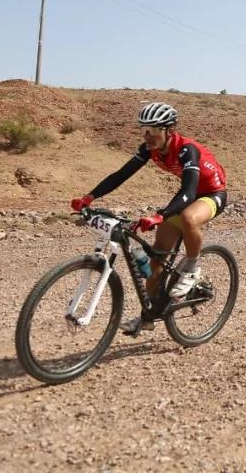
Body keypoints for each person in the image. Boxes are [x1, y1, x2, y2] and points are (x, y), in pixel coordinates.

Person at [71, 102, 227, 335]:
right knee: (155, 265)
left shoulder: (186, 150)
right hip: (187, 196)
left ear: (170, 130)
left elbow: (189, 190)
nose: (147, 136)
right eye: (144, 130)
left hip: (211, 194)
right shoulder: (148, 149)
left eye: (153, 130)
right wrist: (89, 197)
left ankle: (192, 268)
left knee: (188, 218)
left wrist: (160, 215)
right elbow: (121, 175)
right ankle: (148, 318)